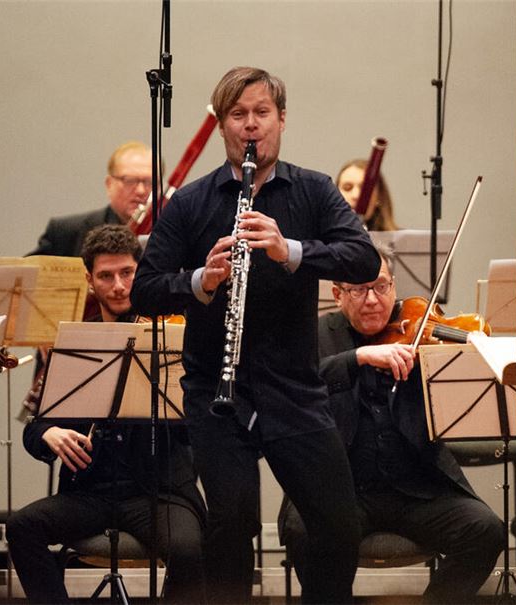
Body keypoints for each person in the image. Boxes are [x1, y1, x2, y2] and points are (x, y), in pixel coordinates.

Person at [131, 66, 380, 604]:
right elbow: (145, 290)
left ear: (281, 120)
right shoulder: (191, 202)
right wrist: (201, 281)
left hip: (294, 388)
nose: (250, 126)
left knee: (339, 526)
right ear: (222, 126)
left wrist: (291, 249)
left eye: (261, 114)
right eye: (237, 115)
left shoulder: (313, 191)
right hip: (217, 395)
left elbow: (362, 258)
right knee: (230, 526)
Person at [280, 244, 506, 603]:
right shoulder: (316, 334)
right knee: (303, 530)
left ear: (394, 287)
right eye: (358, 289)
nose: (372, 300)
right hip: (342, 491)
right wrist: (358, 358)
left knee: (486, 530)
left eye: (380, 286)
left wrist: (469, 355)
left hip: (417, 488)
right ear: (338, 295)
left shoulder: (422, 332)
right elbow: (293, 382)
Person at [7, 225, 206, 604]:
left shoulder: (170, 335)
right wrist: (48, 434)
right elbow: (37, 428)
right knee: (21, 527)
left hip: (160, 491)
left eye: (127, 273)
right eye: (106, 276)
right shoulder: (76, 341)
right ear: (89, 280)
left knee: (188, 549)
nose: (118, 285)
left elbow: (195, 426)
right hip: (90, 493)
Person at [29, 141, 156, 257]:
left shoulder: (169, 233)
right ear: (109, 184)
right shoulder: (65, 232)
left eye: (149, 182)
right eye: (130, 181)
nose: (141, 190)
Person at [335, 158, 399, 231]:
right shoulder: (322, 240)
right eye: (347, 188)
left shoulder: (403, 240)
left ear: (379, 197)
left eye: (364, 189)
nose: (356, 195)